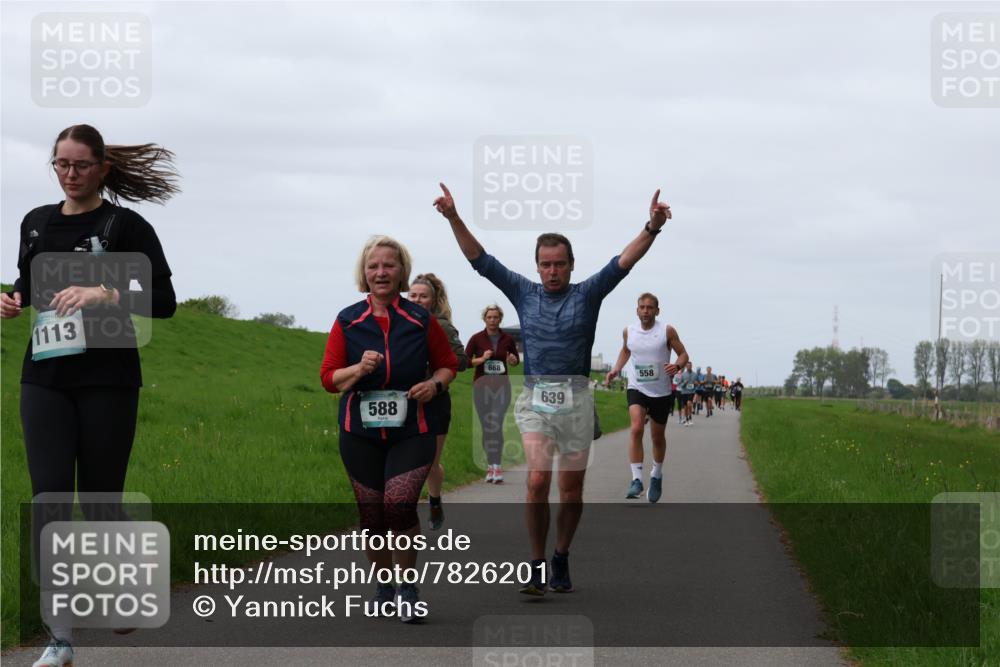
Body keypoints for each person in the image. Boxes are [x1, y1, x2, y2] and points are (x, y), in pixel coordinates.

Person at [433, 182, 672, 595]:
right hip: (535, 401)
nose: (552, 270)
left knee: (570, 489)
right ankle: (537, 562)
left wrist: (651, 227)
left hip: (577, 399)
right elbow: (481, 261)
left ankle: (561, 554)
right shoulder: (524, 293)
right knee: (538, 481)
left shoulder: (588, 294)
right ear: (537, 266)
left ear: (571, 265)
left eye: (559, 263)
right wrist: (454, 217)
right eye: (545, 264)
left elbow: (623, 262)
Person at [1, 124, 179, 667]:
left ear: (102, 167)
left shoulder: (124, 225)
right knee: (50, 500)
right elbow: (29, 290)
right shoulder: (35, 223)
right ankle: (60, 639)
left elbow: (165, 300)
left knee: (100, 500)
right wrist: (11, 302)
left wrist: (106, 291)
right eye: (61, 164)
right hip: (46, 378)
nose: (70, 174)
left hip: (108, 379)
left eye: (80, 165)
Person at [320, 236, 458, 623]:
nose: (381, 272)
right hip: (359, 432)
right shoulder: (348, 320)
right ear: (364, 274)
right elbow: (329, 378)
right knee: (373, 516)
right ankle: (384, 587)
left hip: (412, 429)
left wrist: (435, 385)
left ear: (402, 272)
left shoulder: (420, 320)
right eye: (373, 266)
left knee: (398, 505)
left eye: (389, 265)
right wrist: (358, 370)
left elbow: (448, 364)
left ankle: (409, 588)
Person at [605, 293, 688, 503]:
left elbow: (684, 354)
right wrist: (616, 369)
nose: (645, 311)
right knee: (636, 428)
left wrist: (677, 365)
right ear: (636, 310)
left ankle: (656, 475)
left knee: (657, 438)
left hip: (661, 391)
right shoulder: (629, 331)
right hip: (637, 387)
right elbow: (626, 350)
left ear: (657, 311)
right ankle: (636, 480)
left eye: (650, 308)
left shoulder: (666, 330)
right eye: (641, 307)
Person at [408, 272, 469, 530]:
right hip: (406, 401)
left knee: (430, 462)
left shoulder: (441, 325)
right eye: (413, 295)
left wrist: (434, 370)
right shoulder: (399, 322)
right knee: (408, 461)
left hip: (435, 401)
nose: (417, 300)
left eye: (423, 296)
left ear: (433, 300)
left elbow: (461, 361)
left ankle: (434, 501)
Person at [465, 304, 520, 483]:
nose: (493, 320)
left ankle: (497, 467)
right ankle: (490, 466)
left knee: (495, 422)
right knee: (487, 427)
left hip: (502, 388)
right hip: (482, 388)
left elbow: (515, 360)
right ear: (485, 319)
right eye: (489, 317)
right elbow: (465, 362)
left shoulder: (507, 338)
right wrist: (482, 359)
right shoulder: (476, 338)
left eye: (496, 317)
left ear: (500, 319)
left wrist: (512, 360)